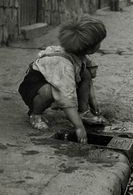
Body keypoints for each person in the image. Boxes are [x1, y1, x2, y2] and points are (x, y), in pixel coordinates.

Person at [18, 15, 107, 144]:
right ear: (89, 47)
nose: (100, 45)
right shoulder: (63, 65)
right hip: (34, 88)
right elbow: (66, 98)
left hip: (57, 82)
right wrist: (79, 127)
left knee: (86, 73)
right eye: (99, 42)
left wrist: (94, 106)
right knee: (48, 92)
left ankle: (83, 112)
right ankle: (35, 114)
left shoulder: (79, 55)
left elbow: (88, 81)